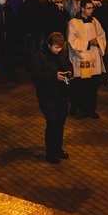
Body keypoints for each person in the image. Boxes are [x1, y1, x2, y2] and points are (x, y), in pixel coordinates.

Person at [31, 32, 72, 164]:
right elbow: (36, 75)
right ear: (49, 45)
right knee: (53, 122)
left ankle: (58, 148)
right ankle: (50, 152)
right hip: (47, 95)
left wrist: (69, 72)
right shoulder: (39, 56)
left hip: (62, 94)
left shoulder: (63, 54)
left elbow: (69, 65)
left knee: (60, 123)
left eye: (60, 47)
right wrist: (54, 75)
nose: (58, 50)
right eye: (56, 48)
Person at [67, 0, 106, 119]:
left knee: (92, 84)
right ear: (82, 9)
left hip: (93, 57)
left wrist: (98, 41)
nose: (90, 10)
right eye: (88, 8)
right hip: (81, 57)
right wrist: (88, 43)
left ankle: (90, 109)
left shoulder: (94, 21)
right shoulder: (74, 22)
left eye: (92, 8)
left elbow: (102, 35)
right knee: (79, 85)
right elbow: (71, 41)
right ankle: (76, 107)